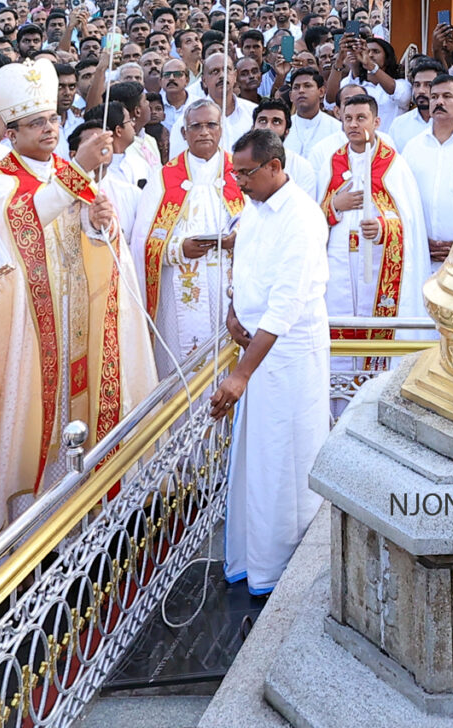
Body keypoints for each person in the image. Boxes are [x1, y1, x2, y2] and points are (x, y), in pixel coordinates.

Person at [0, 60, 152, 535]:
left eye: (51, 120)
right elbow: (18, 231)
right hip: (28, 333)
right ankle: (25, 536)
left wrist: (97, 222)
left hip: (76, 323)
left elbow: (89, 244)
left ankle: (81, 523)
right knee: (32, 432)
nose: (48, 129)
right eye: (34, 123)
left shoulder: (70, 172)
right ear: (9, 132)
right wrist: (80, 176)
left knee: (79, 419)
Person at [213, 128, 330, 596]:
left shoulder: (301, 217)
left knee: (284, 458)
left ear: (275, 167)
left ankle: (287, 572)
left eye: (247, 173)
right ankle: (252, 560)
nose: (239, 182)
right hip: (256, 348)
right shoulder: (255, 209)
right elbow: (245, 271)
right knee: (256, 459)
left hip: (287, 358)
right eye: (235, 172)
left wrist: (241, 374)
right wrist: (233, 310)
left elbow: (286, 304)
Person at [318, 89, 426, 373]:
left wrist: (382, 228)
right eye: (348, 118)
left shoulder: (393, 164)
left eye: (361, 118)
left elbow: (408, 221)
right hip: (338, 262)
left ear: (376, 122)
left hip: (378, 264)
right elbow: (313, 217)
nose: (353, 125)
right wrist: (334, 206)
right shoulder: (331, 162)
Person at [135, 103, 243, 376]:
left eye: (211, 125)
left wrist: (238, 239)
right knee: (183, 366)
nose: (204, 132)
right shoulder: (164, 177)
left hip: (230, 286)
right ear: (184, 132)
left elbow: (264, 228)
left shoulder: (240, 172)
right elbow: (144, 241)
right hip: (180, 289)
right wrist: (178, 249)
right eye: (196, 126)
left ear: (222, 129)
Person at [399, 76, 453, 272]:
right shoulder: (413, 147)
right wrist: (420, 241)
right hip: (422, 255)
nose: (439, 102)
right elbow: (403, 200)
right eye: (434, 97)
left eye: (447, 96)